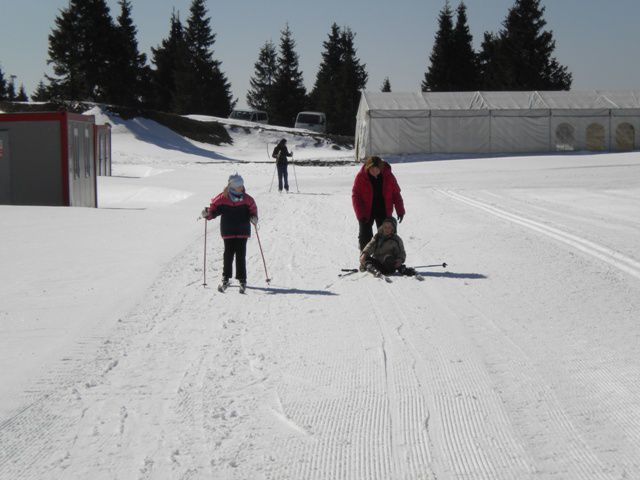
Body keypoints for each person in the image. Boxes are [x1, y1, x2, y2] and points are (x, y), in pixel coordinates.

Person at [201, 173, 258, 292]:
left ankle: (242, 278)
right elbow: (214, 210)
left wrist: (254, 217)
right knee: (228, 254)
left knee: (241, 255)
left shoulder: (247, 199)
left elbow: (253, 209)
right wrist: (208, 214)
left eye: (242, 186)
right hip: (228, 230)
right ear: (232, 187)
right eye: (239, 186)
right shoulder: (222, 198)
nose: (241, 188)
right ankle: (226, 277)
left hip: (242, 230)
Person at [352, 155, 405, 254]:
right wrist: (360, 214)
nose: (374, 172)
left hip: (383, 210)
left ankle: (386, 258)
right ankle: (365, 259)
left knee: (387, 234)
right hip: (366, 211)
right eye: (372, 169)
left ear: (381, 168)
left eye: (377, 169)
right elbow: (356, 195)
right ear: (368, 168)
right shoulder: (361, 177)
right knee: (365, 235)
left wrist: (400, 210)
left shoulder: (388, 176)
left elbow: (396, 194)